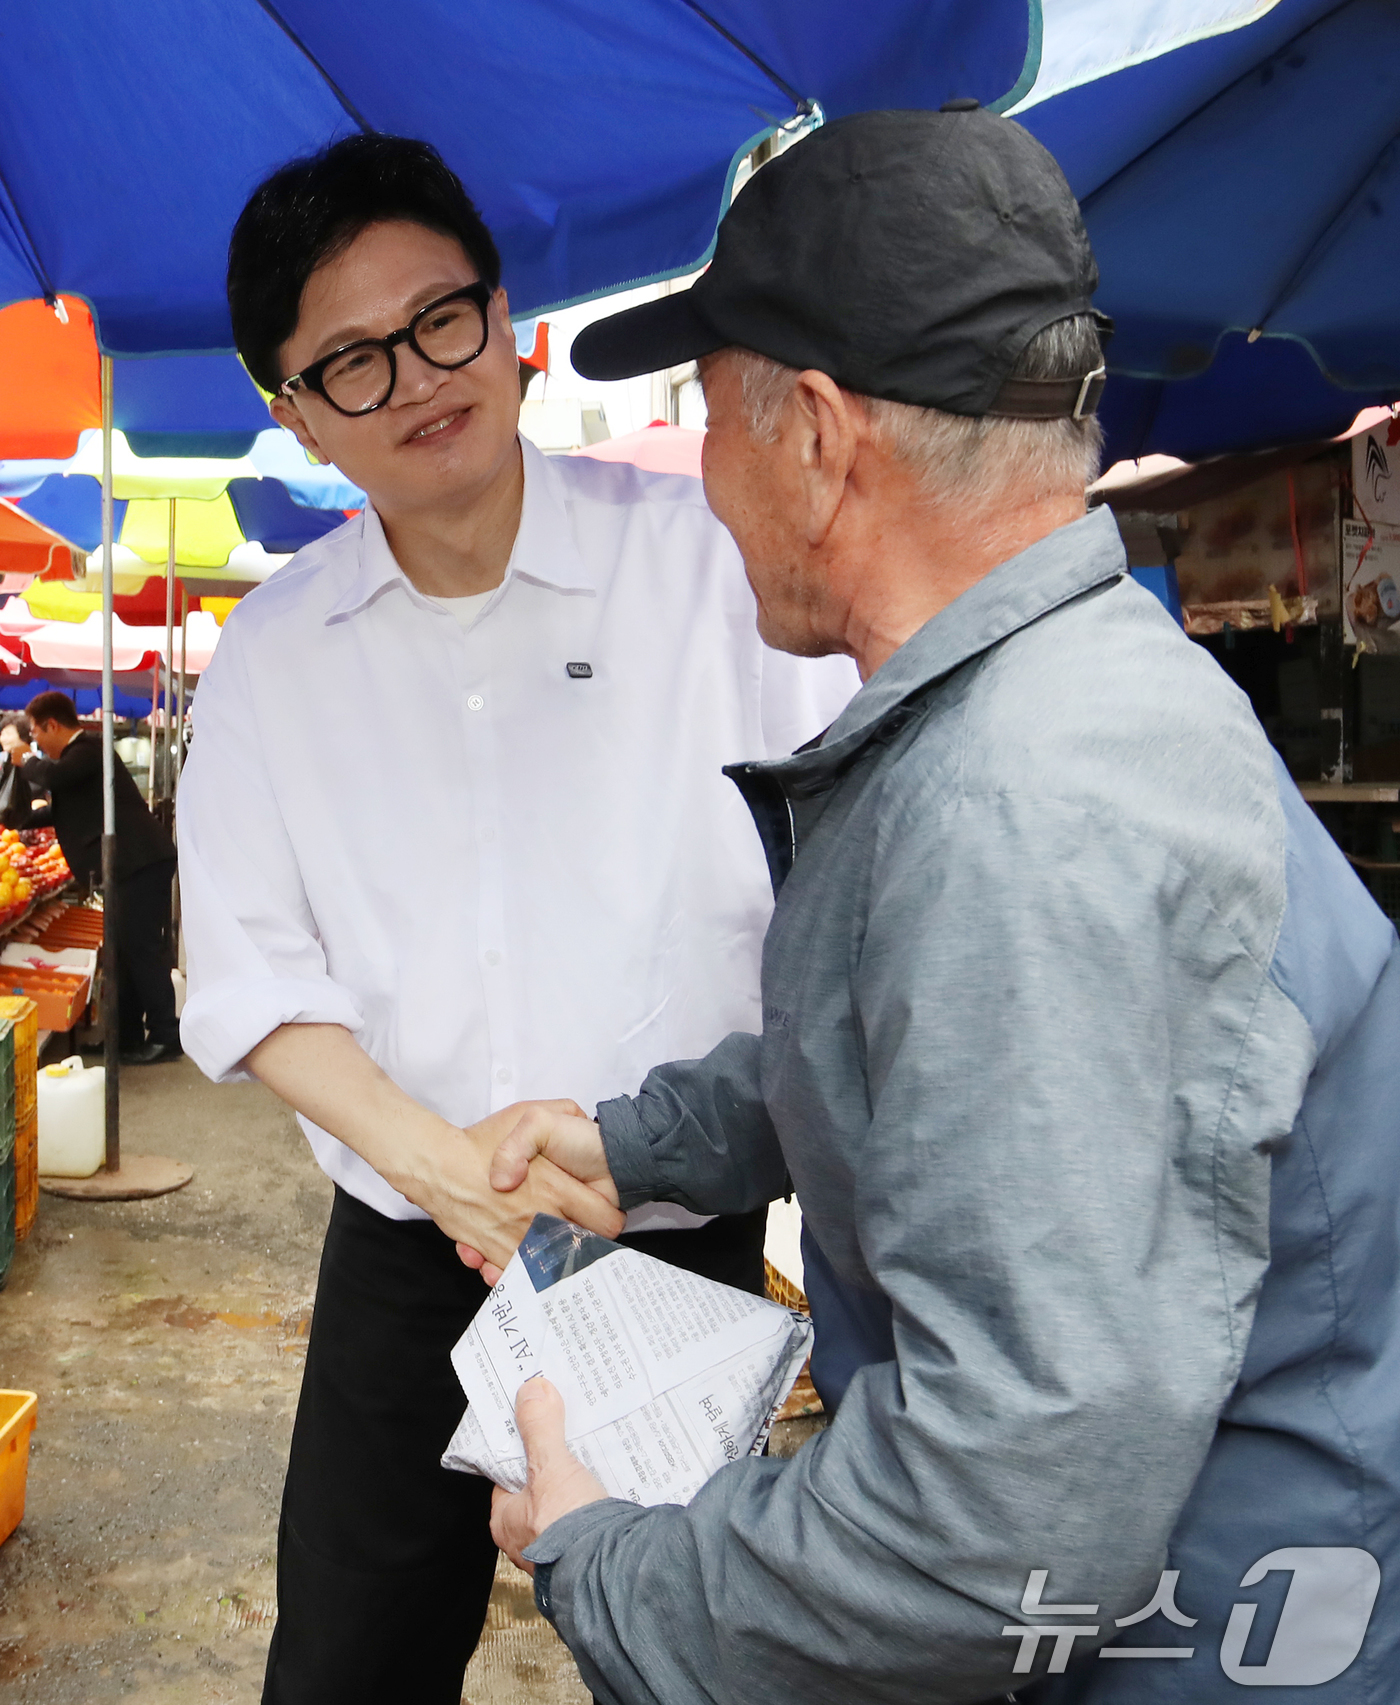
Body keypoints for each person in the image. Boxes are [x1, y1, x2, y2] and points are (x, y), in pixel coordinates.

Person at [470, 108, 1400, 1704]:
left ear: (819, 437)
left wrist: (613, 1558)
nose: (703, 469)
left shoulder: (1026, 808)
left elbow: (992, 1530)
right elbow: (944, 1061)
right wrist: (653, 1141)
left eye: (710, 411)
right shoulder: (1066, 699)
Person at [175, 134, 854, 1705]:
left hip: (673, 1231)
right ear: (294, 415)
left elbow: (850, 878)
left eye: (441, 318)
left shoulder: (713, 567)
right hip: (410, 1248)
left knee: (694, 1661)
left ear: (510, 319)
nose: (416, 377)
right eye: (348, 361)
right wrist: (438, 1170)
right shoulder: (274, 658)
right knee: (348, 1659)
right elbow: (252, 978)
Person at [18, 691, 180, 1065]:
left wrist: (23, 759)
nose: (36, 742)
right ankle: (122, 1038)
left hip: (138, 863)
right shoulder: (80, 759)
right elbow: (67, 811)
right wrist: (18, 819)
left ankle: (165, 1036)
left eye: (36, 733)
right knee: (122, 953)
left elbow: (53, 777)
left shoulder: (88, 751)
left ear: (52, 725)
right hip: (128, 864)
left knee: (140, 949)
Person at [0, 715, 44, 828]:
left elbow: (36, 787)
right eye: (2, 734)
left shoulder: (31, 761)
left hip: (30, 820)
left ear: (23, 736)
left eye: (8, 734)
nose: (3, 738)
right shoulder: (7, 762)